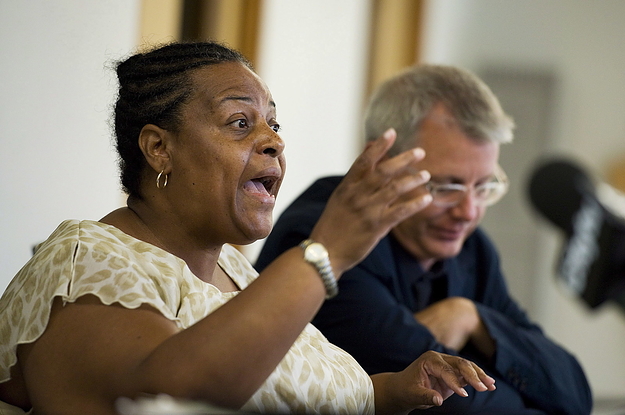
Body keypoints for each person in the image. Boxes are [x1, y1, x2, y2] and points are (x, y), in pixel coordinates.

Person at [0, 42, 497, 415]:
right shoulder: (85, 261)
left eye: (273, 125)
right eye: (240, 122)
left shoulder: (239, 273)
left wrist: (392, 391)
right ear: (159, 148)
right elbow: (168, 398)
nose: (273, 142)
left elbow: (290, 390)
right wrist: (325, 251)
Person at [256, 64, 593, 414]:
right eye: (447, 186)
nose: (468, 212)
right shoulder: (324, 237)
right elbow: (454, 406)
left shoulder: (472, 251)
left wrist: (473, 319)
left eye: (484, 187)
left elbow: (574, 392)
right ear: (380, 163)